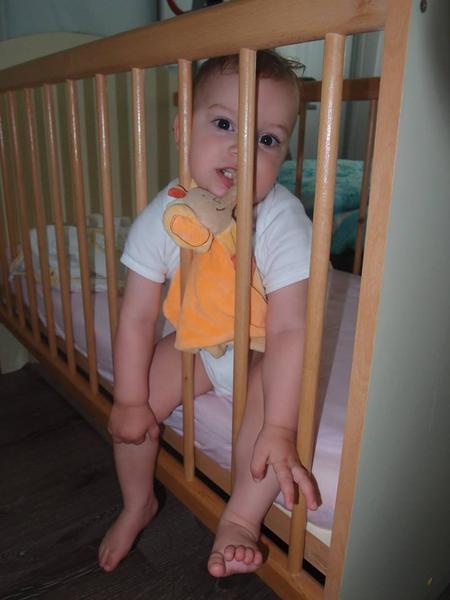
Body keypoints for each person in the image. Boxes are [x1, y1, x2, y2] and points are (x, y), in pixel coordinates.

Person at [98, 50, 321, 578]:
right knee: (133, 413)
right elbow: (137, 316)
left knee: (276, 411)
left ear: (283, 153)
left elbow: (291, 328)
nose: (242, 149)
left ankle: (240, 520)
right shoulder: (167, 214)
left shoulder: (282, 219)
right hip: (197, 347)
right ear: (183, 130)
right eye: (224, 124)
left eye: (266, 139)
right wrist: (129, 400)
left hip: (260, 351)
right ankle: (137, 503)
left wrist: (281, 426)